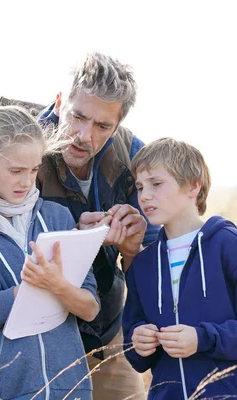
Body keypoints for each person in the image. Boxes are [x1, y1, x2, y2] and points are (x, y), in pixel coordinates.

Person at [0, 105, 101, 399]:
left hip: (71, 390)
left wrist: (58, 286)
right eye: (16, 171)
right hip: (7, 393)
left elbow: (89, 308)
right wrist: (39, 284)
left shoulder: (58, 218)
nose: (27, 182)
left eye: (35, 169)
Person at [122, 137, 237, 399]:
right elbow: (133, 351)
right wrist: (139, 341)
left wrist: (203, 338)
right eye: (140, 187)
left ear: (193, 186)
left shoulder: (233, 246)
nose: (145, 195)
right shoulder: (143, 265)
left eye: (156, 184)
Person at [35, 51, 157, 399]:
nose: (84, 135)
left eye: (102, 126)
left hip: (107, 331)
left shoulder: (135, 157)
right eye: (78, 117)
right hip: (38, 337)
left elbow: (149, 272)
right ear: (60, 103)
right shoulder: (19, 148)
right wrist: (73, 238)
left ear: (117, 125)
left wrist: (132, 248)